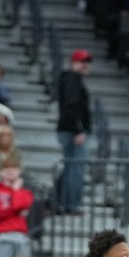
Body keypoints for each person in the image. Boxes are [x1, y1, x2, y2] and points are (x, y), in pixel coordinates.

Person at [56, 49, 92, 215]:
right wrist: (78, 129)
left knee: (70, 168)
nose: (85, 65)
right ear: (73, 63)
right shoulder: (72, 81)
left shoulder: (72, 80)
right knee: (75, 169)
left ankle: (55, 201)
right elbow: (71, 106)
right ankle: (72, 205)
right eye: (82, 62)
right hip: (73, 131)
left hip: (68, 129)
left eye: (87, 62)